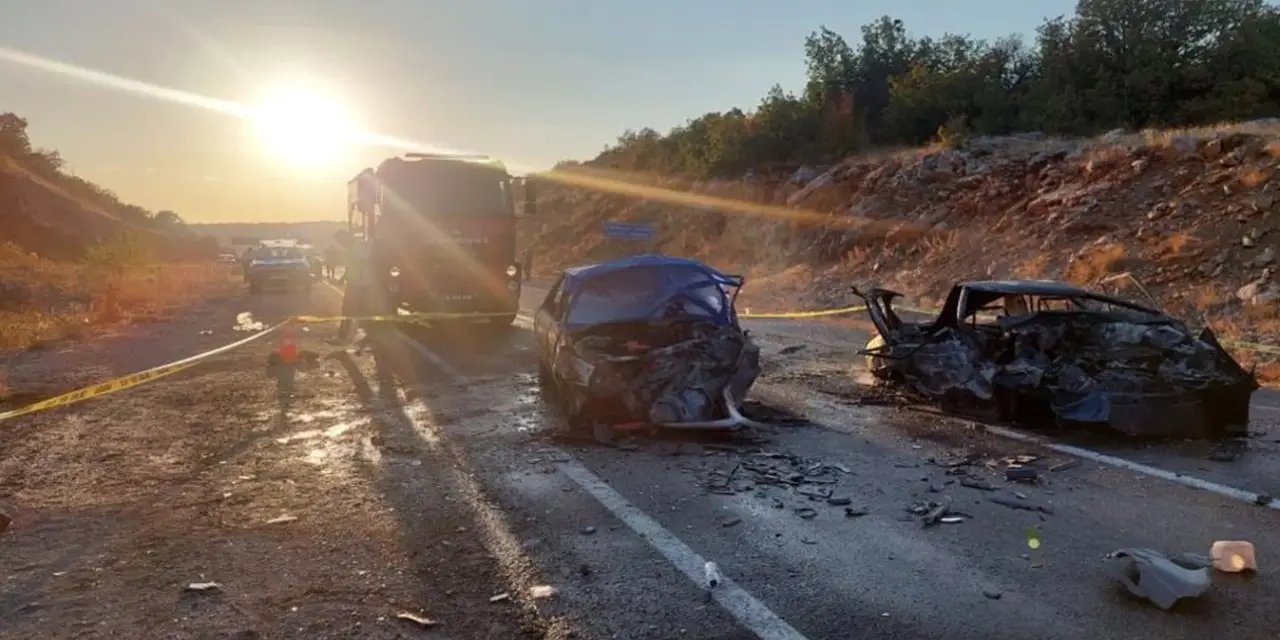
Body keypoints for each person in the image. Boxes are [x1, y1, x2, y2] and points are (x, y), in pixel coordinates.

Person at [334, 231, 377, 344]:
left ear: (347, 237)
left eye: (341, 241)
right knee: (351, 311)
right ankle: (345, 336)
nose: (341, 244)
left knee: (354, 310)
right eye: (339, 242)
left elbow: (367, 259)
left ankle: (343, 337)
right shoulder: (348, 250)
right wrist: (343, 278)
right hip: (354, 283)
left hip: (361, 285)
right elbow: (350, 266)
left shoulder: (361, 246)